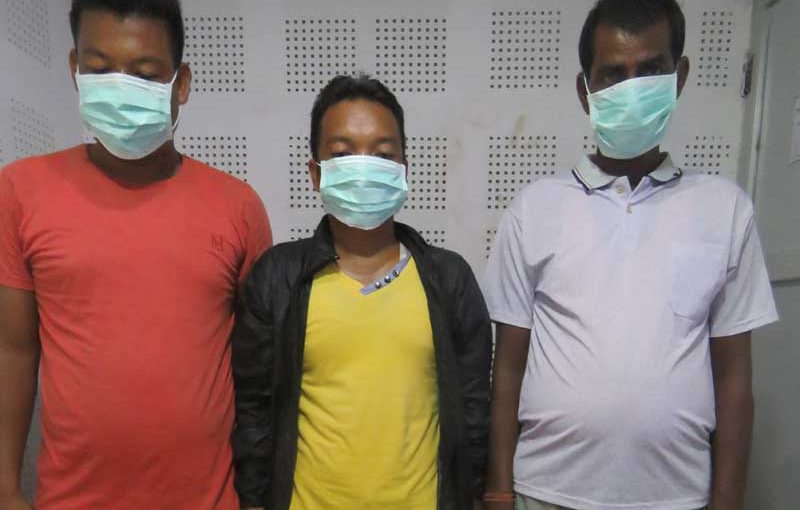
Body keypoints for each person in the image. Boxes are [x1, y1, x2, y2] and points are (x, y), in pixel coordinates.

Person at [483, 1, 779, 509]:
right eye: (613, 75)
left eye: (651, 70)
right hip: (544, 491)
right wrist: (497, 491)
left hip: (676, 496)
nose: (632, 88)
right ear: (586, 91)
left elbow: (733, 380)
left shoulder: (725, 209)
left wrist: (727, 501)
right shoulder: (535, 208)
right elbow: (507, 369)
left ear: (679, 77)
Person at [0, 1, 272, 509]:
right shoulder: (20, 191)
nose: (121, 89)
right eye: (100, 69)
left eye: (145, 74)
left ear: (181, 83)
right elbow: (12, 350)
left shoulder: (239, 207)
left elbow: (260, 367)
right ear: (74, 69)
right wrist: (6, 488)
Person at [231, 74, 492, 510]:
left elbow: (473, 412)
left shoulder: (449, 280)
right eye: (342, 153)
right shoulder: (277, 278)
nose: (364, 167)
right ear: (315, 174)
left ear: (404, 170)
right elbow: (254, 412)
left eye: (382, 154)